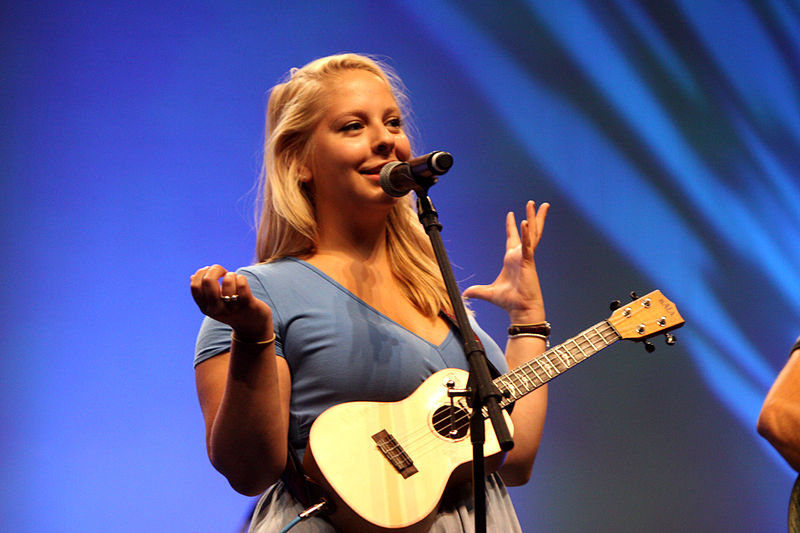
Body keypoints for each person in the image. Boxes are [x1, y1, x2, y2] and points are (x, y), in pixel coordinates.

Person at [190, 53, 549, 532]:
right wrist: (253, 339)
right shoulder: (260, 298)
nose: (386, 140)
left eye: (393, 122)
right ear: (299, 162)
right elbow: (248, 471)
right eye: (353, 126)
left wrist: (527, 321)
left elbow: (515, 454)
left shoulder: (438, 295)